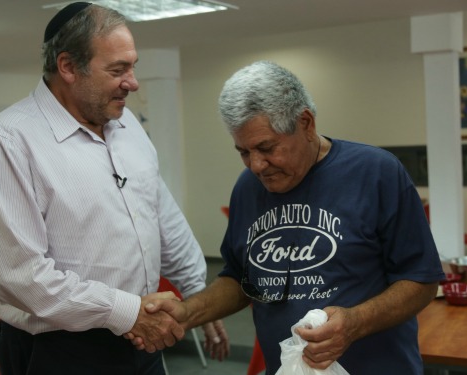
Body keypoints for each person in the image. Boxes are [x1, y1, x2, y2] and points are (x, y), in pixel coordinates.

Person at [0, 2, 228, 374]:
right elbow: (19, 276)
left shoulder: (127, 126)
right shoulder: (8, 141)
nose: (133, 82)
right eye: (118, 70)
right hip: (60, 349)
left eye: (133, 66)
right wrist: (126, 312)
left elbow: (161, 215)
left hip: (141, 336)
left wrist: (198, 294)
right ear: (68, 67)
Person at [137, 61, 445, 374]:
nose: (256, 165)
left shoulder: (376, 173)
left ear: (306, 123)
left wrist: (355, 323)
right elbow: (241, 279)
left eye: (266, 148)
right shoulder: (249, 188)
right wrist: (187, 313)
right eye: (243, 152)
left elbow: (421, 280)